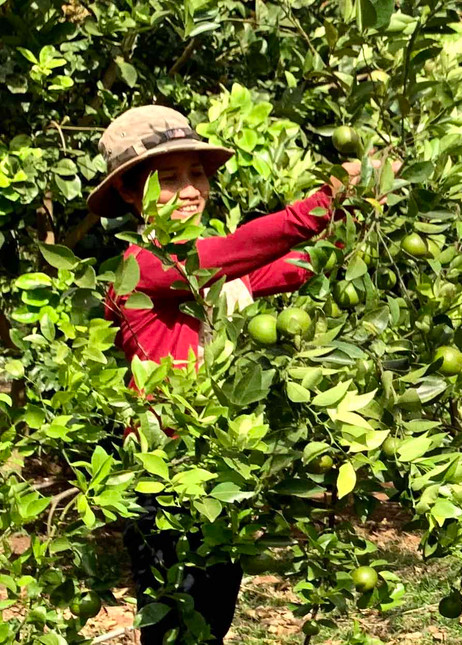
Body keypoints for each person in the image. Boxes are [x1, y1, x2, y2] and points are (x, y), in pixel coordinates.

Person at [87, 105, 360, 644]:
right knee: (172, 628)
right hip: (162, 476)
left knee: (212, 624)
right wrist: (326, 201)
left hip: (222, 467)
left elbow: (295, 265)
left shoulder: (210, 271)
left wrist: (361, 214)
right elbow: (245, 248)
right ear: (129, 193)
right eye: (168, 178)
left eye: (196, 174)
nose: (189, 190)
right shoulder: (141, 266)